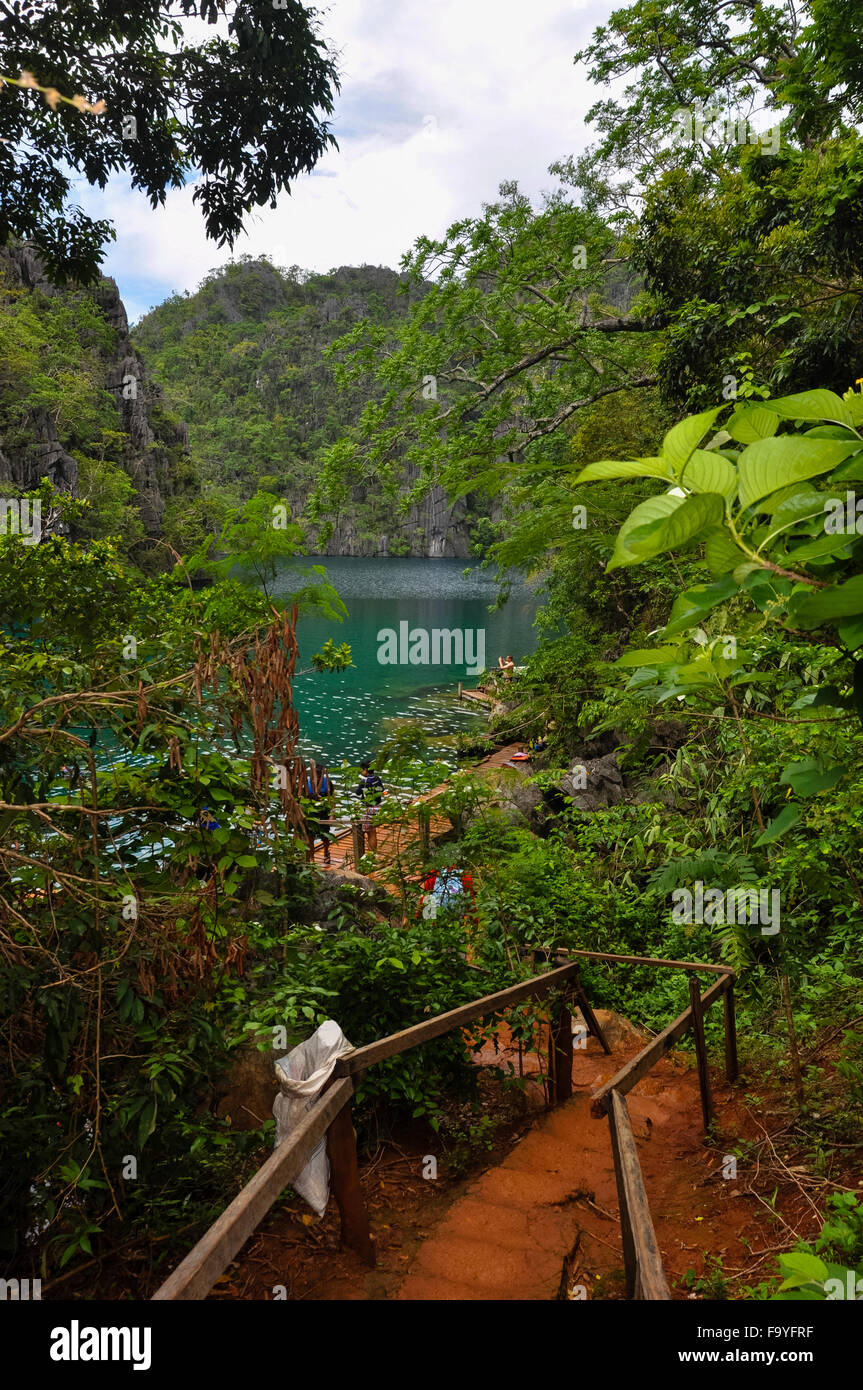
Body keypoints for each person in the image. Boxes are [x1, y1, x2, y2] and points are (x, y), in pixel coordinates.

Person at [305, 762, 335, 866]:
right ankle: (312, 858)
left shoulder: (327, 784)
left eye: (318, 775)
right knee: (310, 837)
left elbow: (332, 800)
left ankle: (326, 852)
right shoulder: (307, 784)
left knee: (325, 836)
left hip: (323, 813)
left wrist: (332, 815)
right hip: (311, 813)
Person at [354, 759, 385, 853]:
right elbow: (382, 789)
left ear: (366, 770)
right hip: (377, 806)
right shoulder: (377, 778)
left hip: (369, 808)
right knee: (373, 831)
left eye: (362, 769)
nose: (362, 772)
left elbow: (358, 793)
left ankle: (371, 852)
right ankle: (373, 851)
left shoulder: (365, 780)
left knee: (369, 832)